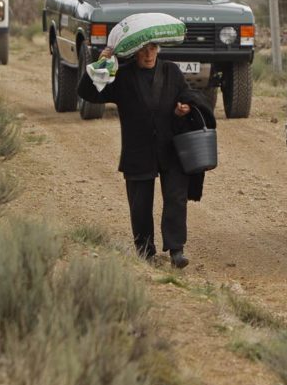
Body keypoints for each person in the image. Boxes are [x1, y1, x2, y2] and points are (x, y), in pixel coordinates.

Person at [76, 42, 211, 268]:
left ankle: (176, 250)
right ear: (135, 50)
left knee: (176, 198)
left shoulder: (171, 71)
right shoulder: (123, 75)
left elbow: (188, 94)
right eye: (143, 49)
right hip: (138, 150)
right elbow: (88, 93)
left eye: (152, 49)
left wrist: (184, 107)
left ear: (158, 49)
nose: (148, 54)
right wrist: (101, 63)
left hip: (171, 147)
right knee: (140, 204)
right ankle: (145, 252)